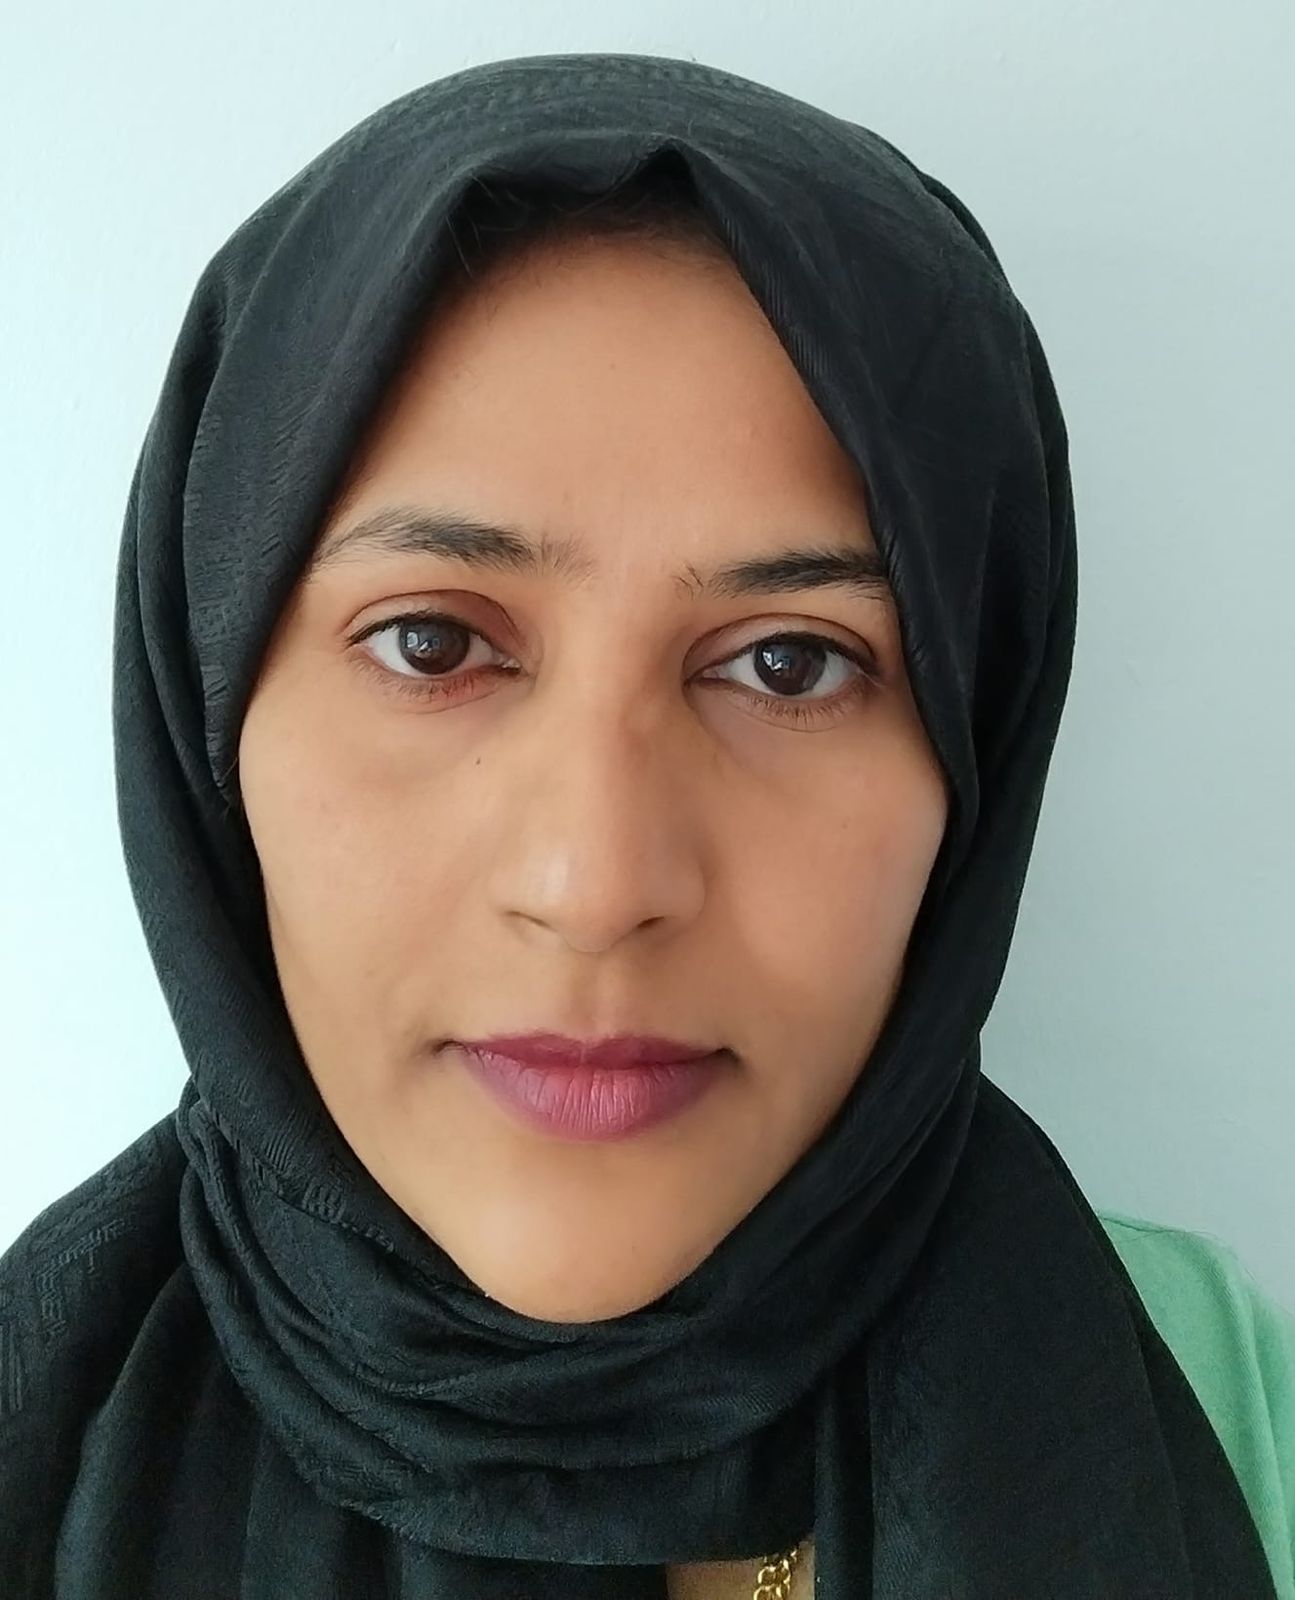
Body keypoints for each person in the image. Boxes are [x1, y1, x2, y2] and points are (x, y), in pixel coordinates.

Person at [1, 50, 1291, 1600]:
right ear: (207, 731)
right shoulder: (43, 1449)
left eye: (790, 662)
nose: (597, 883)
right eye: (431, 641)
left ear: (979, 748)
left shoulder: (1236, 1406)